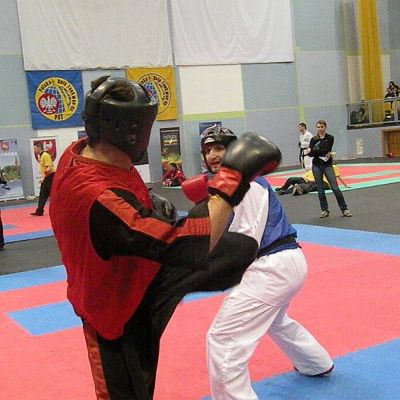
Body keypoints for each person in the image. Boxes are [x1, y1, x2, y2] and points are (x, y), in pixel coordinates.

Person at [49, 76, 282, 400]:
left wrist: (146, 202)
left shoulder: (83, 152)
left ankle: (165, 292)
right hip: (112, 307)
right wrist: (232, 180)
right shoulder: (102, 199)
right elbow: (182, 242)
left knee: (238, 249)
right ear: (134, 132)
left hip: (137, 269)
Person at [202, 126, 334, 400]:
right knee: (275, 320)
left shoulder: (247, 185)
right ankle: (315, 363)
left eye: (219, 148)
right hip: (284, 262)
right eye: (208, 150)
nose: (212, 155)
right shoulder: (232, 186)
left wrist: (197, 270)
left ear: (236, 151)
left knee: (223, 338)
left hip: (271, 266)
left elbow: (243, 243)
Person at [307, 120, 352, 218]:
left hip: (327, 165)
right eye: (318, 127)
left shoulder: (330, 138)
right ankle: (324, 210)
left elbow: (326, 150)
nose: (320, 129)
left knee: (335, 188)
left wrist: (315, 151)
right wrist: (316, 152)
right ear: (316, 128)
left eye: (322, 127)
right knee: (320, 189)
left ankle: (344, 208)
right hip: (316, 166)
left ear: (325, 127)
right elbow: (310, 154)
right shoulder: (313, 139)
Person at [276, 165, 350, 196]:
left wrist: (345, 186)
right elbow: (304, 176)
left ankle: (287, 191)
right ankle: (283, 188)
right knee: (292, 179)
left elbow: (338, 177)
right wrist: (306, 179)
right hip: (307, 180)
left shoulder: (332, 167)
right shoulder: (315, 167)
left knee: (308, 185)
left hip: (323, 183)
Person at [30, 142, 56, 216]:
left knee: (51, 194)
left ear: (39, 148)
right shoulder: (41, 156)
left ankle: (41, 211)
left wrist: (44, 176)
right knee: (43, 194)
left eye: (35, 148)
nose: (34, 150)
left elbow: (49, 167)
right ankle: (39, 211)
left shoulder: (45, 155)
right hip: (47, 177)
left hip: (50, 177)